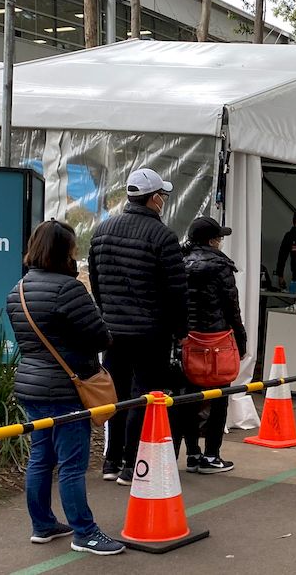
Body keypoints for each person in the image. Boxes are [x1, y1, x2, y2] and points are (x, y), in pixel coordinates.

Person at [7, 220, 124, 556]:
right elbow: (101, 337)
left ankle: (42, 524)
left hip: (31, 385)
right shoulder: (69, 290)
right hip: (66, 388)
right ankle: (84, 532)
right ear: (64, 251)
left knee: (41, 457)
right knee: (72, 463)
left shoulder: (18, 290)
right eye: (73, 248)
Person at [89, 167, 188, 485]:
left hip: (113, 331)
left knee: (115, 395)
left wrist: (107, 315)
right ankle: (133, 464)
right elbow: (176, 290)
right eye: (163, 195)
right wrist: (180, 330)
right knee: (143, 396)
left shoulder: (102, 230)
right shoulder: (163, 236)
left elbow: (96, 280)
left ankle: (110, 461)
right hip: (151, 332)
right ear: (155, 199)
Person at [171, 216, 247, 474]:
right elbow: (231, 307)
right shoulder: (220, 266)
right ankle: (212, 455)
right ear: (213, 240)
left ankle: (192, 454)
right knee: (219, 398)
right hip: (217, 341)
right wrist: (242, 338)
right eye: (220, 237)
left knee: (189, 399)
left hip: (187, 341)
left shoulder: (178, 263)